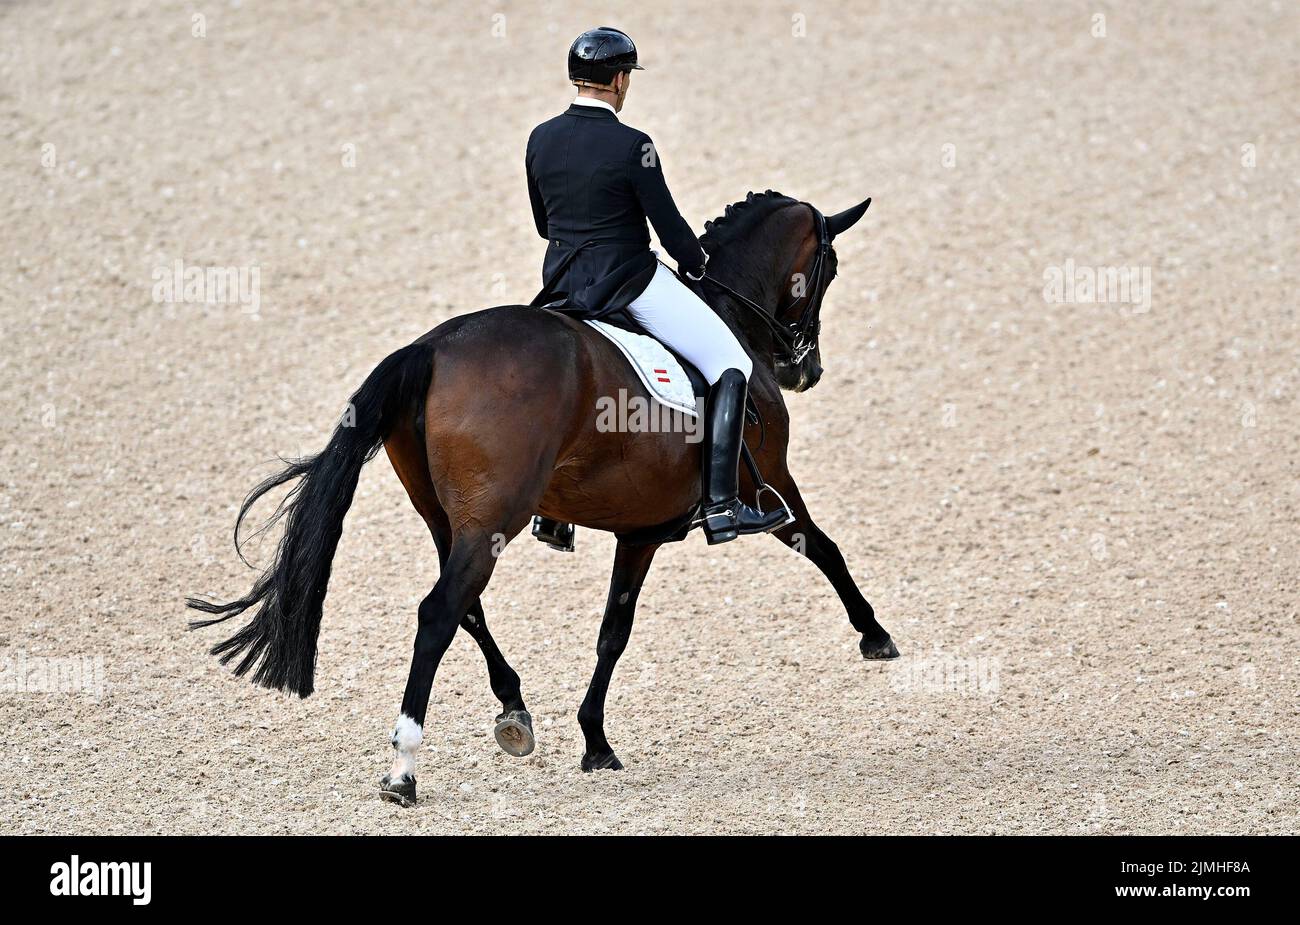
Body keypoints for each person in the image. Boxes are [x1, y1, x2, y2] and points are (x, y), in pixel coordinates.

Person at [526, 27, 787, 546]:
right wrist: (694, 264)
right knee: (729, 364)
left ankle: (550, 512)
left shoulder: (540, 137)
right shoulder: (633, 145)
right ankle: (721, 506)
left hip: (561, 283)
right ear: (620, 80)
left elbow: (543, 224)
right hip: (626, 283)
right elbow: (669, 230)